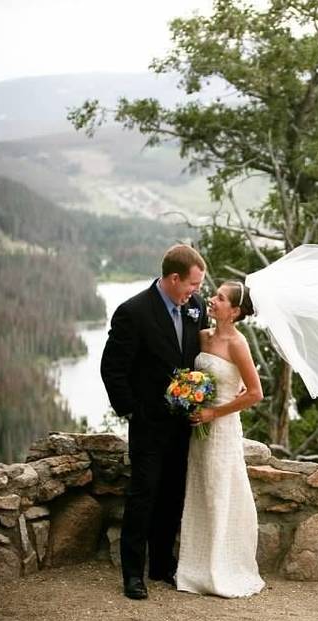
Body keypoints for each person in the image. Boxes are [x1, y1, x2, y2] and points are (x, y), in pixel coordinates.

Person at [100, 244, 208, 600]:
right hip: (149, 423)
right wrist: (134, 410)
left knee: (173, 495)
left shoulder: (197, 308)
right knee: (143, 495)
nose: (197, 291)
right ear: (173, 278)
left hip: (184, 423)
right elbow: (113, 369)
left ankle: (163, 565)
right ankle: (133, 574)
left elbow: (198, 360)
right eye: (192, 284)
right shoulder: (133, 312)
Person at [175, 280, 265, 597]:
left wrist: (215, 413)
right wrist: (190, 396)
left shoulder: (238, 344)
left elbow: (255, 393)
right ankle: (194, 567)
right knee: (198, 490)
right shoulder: (202, 335)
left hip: (222, 429)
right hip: (198, 429)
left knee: (218, 492)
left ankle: (220, 567)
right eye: (214, 295)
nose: (212, 299)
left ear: (236, 311)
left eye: (221, 298)